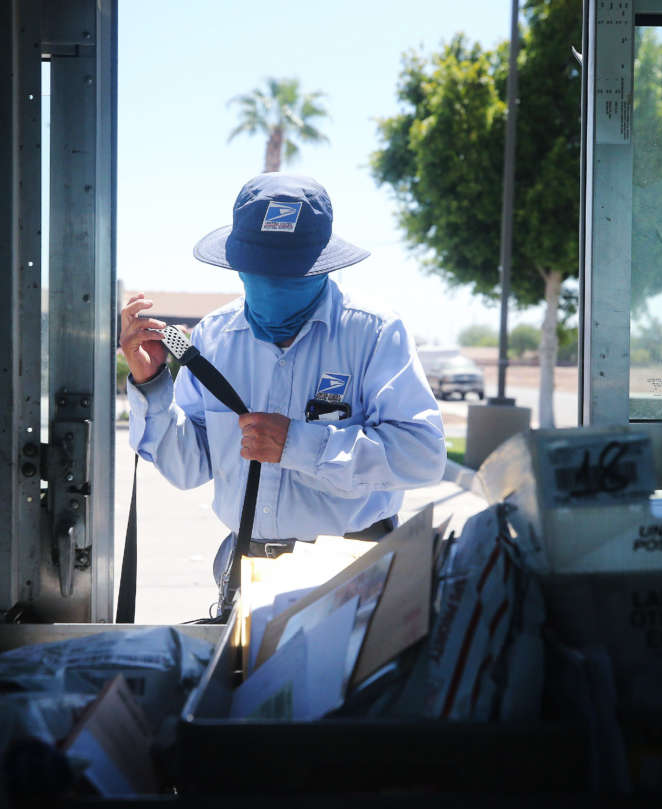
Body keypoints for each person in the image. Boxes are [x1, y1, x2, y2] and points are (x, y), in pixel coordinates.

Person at [119, 173, 446, 601]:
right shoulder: (213, 338)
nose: (272, 281)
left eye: (289, 271)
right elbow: (187, 469)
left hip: (354, 576)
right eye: (259, 270)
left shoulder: (374, 333)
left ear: (323, 265)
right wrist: (152, 384)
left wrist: (299, 444)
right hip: (246, 575)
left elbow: (422, 457)